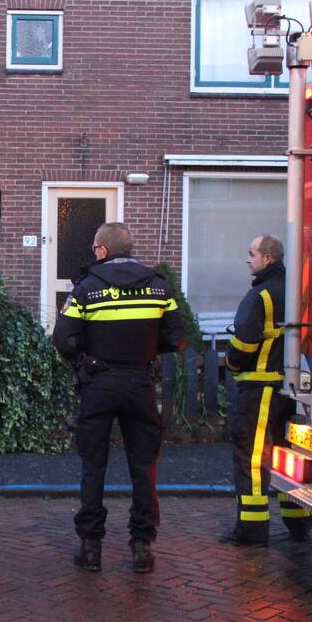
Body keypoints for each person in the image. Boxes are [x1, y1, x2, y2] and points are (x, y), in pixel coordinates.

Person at [52, 222, 186, 573]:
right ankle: (142, 547)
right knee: (144, 468)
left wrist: (88, 354)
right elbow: (178, 337)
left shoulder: (86, 289)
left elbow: (62, 339)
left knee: (93, 466)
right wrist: (144, 350)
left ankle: (91, 548)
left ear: (102, 250)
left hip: (98, 384)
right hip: (140, 384)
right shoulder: (159, 287)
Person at [222, 234, 312, 546]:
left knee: (252, 457)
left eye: (252, 253)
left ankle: (251, 530)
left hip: (259, 389)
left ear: (268, 258)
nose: (248, 259)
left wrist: (231, 364)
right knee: (288, 454)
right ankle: (298, 523)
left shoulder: (261, 295)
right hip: (291, 389)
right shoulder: (296, 290)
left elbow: (243, 344)